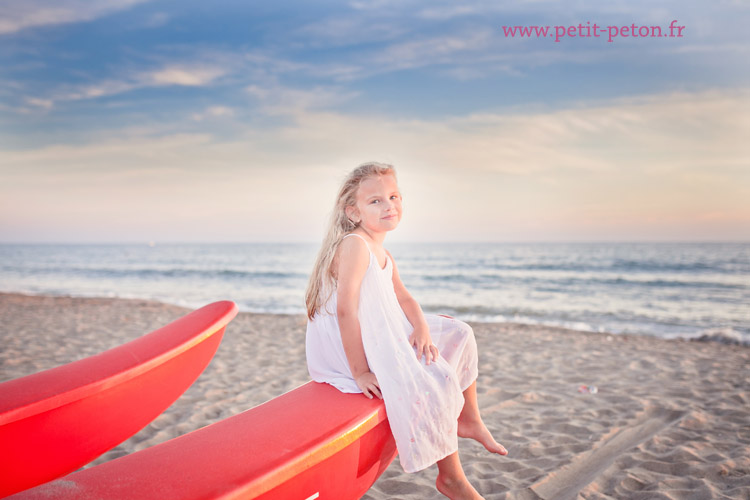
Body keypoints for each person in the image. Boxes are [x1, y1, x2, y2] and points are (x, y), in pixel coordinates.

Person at [305, 162, 507, 500]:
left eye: (394, 196)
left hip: (377, 330)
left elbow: (405, 298)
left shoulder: (383, 251)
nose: (389, 205)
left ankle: (469, 419)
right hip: (350, 347)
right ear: (353, 212)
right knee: (435, 377)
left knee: (459, 334)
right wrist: (360, 372)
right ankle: (451, 479)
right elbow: (345, 310)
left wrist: (423, 329)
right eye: (375, 201)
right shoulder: (354, 244)